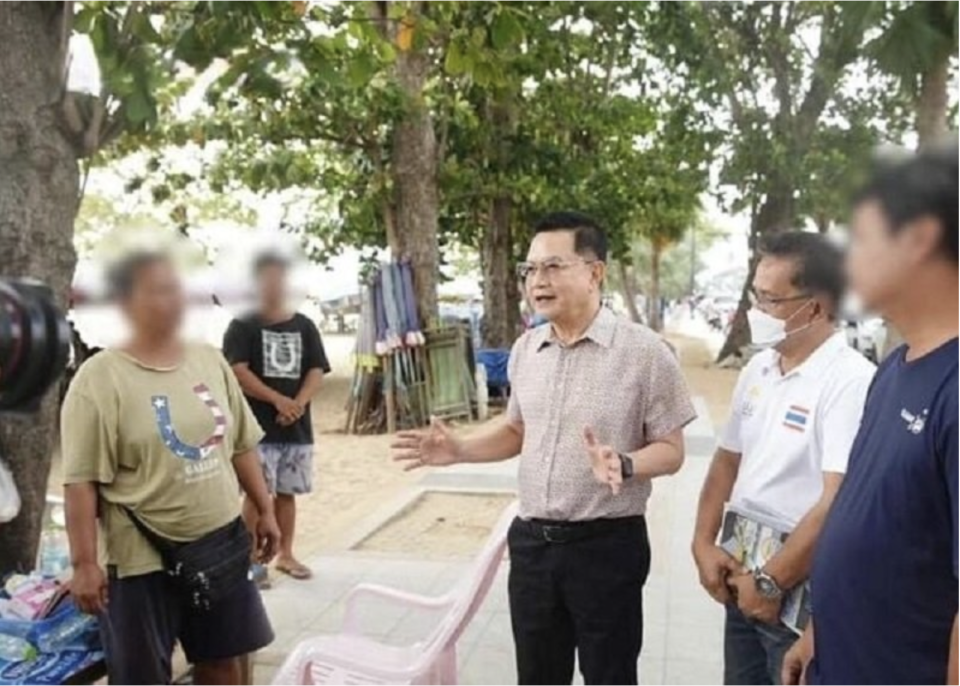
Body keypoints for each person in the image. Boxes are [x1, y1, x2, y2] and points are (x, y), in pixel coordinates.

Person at [392, 211, 696, 685]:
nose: (538, 281)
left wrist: (625, 462)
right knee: (536, 676)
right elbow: (517, 431)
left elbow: (672, 450)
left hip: (607, 547)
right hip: (533, 545)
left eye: (553, 267)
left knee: (610, 676)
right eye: (530, 269)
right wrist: (461, 450)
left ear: (595, 272)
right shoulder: (526, 349)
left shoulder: (645, 353)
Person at [783, 145, 958, 686]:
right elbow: (866, 511)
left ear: (919, 238)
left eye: (860, 238)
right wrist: (819, 628)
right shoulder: (892, 369)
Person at [62, 252, 279, 685]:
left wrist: (264, 508)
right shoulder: (99, 378)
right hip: (141, 561)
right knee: (143, 676)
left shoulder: (207, 359)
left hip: (219, 547)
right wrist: (85, 563)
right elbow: (81, 482)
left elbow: (239, 444)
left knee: (223, 663)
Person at [691, 232, 875, 684]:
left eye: (771, 300)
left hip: (799, 590)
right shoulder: (759, 367)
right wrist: (702, 542)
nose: (756, 312)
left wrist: (773, 581)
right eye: (755, 295)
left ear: (814, 306)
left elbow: (838, 500)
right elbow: (726, 461)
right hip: (742, 573)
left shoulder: (849, 381)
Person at [223, 252, 331, 582]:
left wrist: (296, 403)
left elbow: (316, 368)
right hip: (256, 430)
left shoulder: (304, 325)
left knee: (287, 493)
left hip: (295, 430)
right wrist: (277, 400)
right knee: (257, 497)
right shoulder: (242, 325)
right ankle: (247, 561)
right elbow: (237, 371)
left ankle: (286, 554)